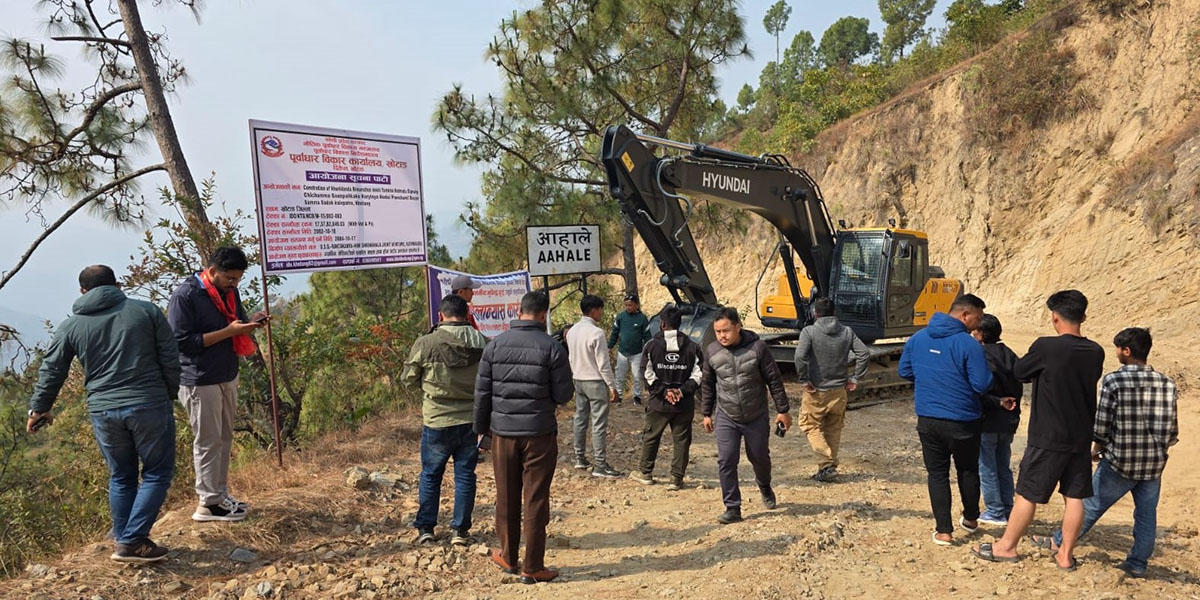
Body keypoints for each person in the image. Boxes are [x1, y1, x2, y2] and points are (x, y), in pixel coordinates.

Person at [27, 266, 180, 563]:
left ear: (82, 291)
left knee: (121, 475)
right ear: (117, 285)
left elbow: (52, 369)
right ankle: (132, 540)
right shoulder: (146, 311)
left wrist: (39, 407)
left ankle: (125, 537)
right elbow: (170, 357)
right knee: (157, 473)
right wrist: (169, 393)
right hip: (148, 403)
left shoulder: (71, 325)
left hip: (103, 410)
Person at [972, 290, 1105, 571]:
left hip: (1048, 435)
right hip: (1080, 436)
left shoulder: (1046, 347)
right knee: (1075, 497)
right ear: (1083, 316)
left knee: (1027, 494)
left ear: (1055, 317)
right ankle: (1065, 555)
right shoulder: (1096, 351)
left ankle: (1006, 546)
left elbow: (1020, 372)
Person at [1034, 328, 1178, 577]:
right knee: (1146, 517)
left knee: (1091, 506)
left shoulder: (1114, 380)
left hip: (1120, 460)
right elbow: (1171, 428)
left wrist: (1096, 449)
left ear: (1127, 351)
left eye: (1118, 349)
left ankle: (1059, 542)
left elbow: (1102, 423)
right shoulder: (1167, 383)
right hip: (1153, 463)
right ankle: (1137, 564)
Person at [474, 291, 573, 584]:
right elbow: (564, 394)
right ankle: (533, 566)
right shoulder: (552, 348)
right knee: (536, 498)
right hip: (539, 434)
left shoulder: (495, 345)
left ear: (519, 312)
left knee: (505, 496)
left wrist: (481, 430)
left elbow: (482, 395)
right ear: (543, 315)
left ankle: (507, 556)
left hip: (503, 434)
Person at [167, 246, 264, 522]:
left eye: (238, 279)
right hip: (200, 380)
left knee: (224, 437)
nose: (234, 285)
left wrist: (251, 324)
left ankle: (220, 496)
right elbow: (182, 343)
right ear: (211, 272)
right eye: (230, 279)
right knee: (208, 440)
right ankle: (207, 503)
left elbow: (237, 322)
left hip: (226, 373)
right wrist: (228, 332)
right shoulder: (185, 295)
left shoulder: (229, 292)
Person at [898, 294, 992, 546]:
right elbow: (981, 384)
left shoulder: (917, 338)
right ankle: (971, 519)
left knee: (937, 474)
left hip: (928, 419)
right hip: (963, 420)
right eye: (978, 318)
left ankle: (943, 531)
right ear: (965, 315)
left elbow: (904, 371)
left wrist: (930, 379)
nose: (978, 324)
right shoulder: (969, 344)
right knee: (968, 469)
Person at [402, 294, 489, 546]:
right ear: (466, 314)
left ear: (440, 315)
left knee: (431, 475)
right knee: (465, 475)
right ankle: (460, 531)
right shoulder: (482, 342)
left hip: (437, 420)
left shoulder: (425, 343)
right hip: (470, 421)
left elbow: (408, 380)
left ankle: (426, 529)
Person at [700, 308, 791, 524]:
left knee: (759, 457)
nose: (722, 336)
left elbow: (774, 380)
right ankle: (732, 508)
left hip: (755, 414)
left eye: (726, 331)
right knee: (726, 460)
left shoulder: (758, 348)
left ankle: (765, 486)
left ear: (738, 327)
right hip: (726, 415)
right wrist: (706, 413)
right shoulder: (712, 351)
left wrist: (783, 410)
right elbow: (707, 384)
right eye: (718, 331)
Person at [793, 297, 870, 483]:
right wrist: (855, 378)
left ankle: (826, 465)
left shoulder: (809, 332)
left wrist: (804, 380)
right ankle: (829, 468)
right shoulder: (847, 331)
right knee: (833, 428)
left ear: (814, 314)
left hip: (816, 390)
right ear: (835, 313)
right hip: (839, 390)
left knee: (810, 425)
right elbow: (864, 353)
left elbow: (800, 357)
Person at [631, 304, 702, 490]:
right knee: (682, 440)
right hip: (684, 404)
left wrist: (664, 392)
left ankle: (645, 473)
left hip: (659, 404)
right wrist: (681, 391)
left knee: (651, 436)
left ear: (662, 324)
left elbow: (646, 373)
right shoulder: (693, 347)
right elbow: (699, 375)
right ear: (680, 324)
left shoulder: (651, 346)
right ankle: (676, 478)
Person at [971, 314, 1023, 526]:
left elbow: (978, 388)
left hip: (988, 418)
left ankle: (994, 511)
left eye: (974, 331)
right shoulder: (1009, 353)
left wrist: (996, 402)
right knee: (1003, 464)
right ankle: (1009, 509)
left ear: (980, 334)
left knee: (987, 466)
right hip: (1009, 420)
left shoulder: (979, 355)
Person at [567, 294, 622, 478]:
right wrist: (612, 386)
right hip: (595, 382)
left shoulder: (572, 331)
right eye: (601, 309)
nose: (602, 312)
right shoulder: (596, 333)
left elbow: (571, 357)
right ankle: (600, 464)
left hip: (578, 380)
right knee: (599, 423)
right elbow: (603, 364)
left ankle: (579, 458)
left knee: (580, 419)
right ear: (594, 310)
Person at [608, 293, 651, 406]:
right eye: (626, 305)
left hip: (637, 352)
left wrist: (649, 350)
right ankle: (619, 396)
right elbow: (615, 333)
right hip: (622, 352)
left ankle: (637, 396)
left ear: (636, 305)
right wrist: (609, 346)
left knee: (637, 375)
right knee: (620, 375)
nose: (628, 307)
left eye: (630, 305)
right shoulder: (621, 317)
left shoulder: (642, 318)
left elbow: (647, 336)